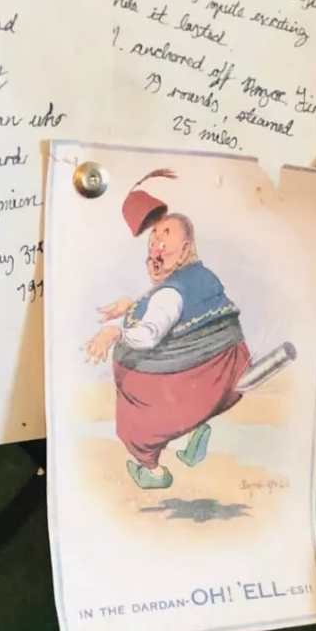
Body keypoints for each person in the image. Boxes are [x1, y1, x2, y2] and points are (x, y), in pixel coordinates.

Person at [85, 172, 251, 490]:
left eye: (165, 234)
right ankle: (195, 430)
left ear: (186, 248)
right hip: (225, 376)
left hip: (190, 381)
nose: (155, 241)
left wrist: (115, 333)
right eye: (153, 237)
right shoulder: (201, 276)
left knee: (134, 413)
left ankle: (152, 472)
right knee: (180, 392)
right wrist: (132, 305)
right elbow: (180, 312)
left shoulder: (170, 294)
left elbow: (150, 332)